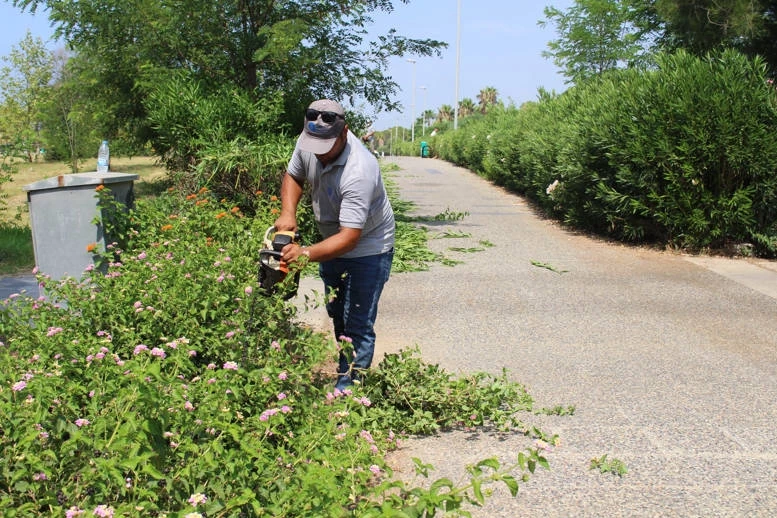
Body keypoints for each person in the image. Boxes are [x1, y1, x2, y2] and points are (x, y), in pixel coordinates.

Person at [274, 99, 395, 390]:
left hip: (368, 246)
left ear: (344, 133)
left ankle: (350, 392)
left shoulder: (360, 170)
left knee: (358, 321)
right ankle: (347, 369)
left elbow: (350, 237)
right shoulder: (310, 140)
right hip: (331, 240)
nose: (319, 154)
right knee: (337, 312)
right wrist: (287, 212)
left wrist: (304, 254)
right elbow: (294, 175)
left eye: (325, 147)